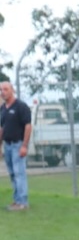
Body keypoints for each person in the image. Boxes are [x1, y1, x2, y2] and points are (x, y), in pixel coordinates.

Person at [0, 80, 32, 211]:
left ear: (12, 90)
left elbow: (28, 126)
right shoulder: (2, 109)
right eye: (1, 90)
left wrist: (24, 145)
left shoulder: (21, 106)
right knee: (13, 174)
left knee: (19, 173)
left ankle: (23, 202)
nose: (3, 92)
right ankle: (16, 200)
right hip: (7, 145)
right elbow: (1, 128)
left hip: (17, 144)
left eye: (5, 89)